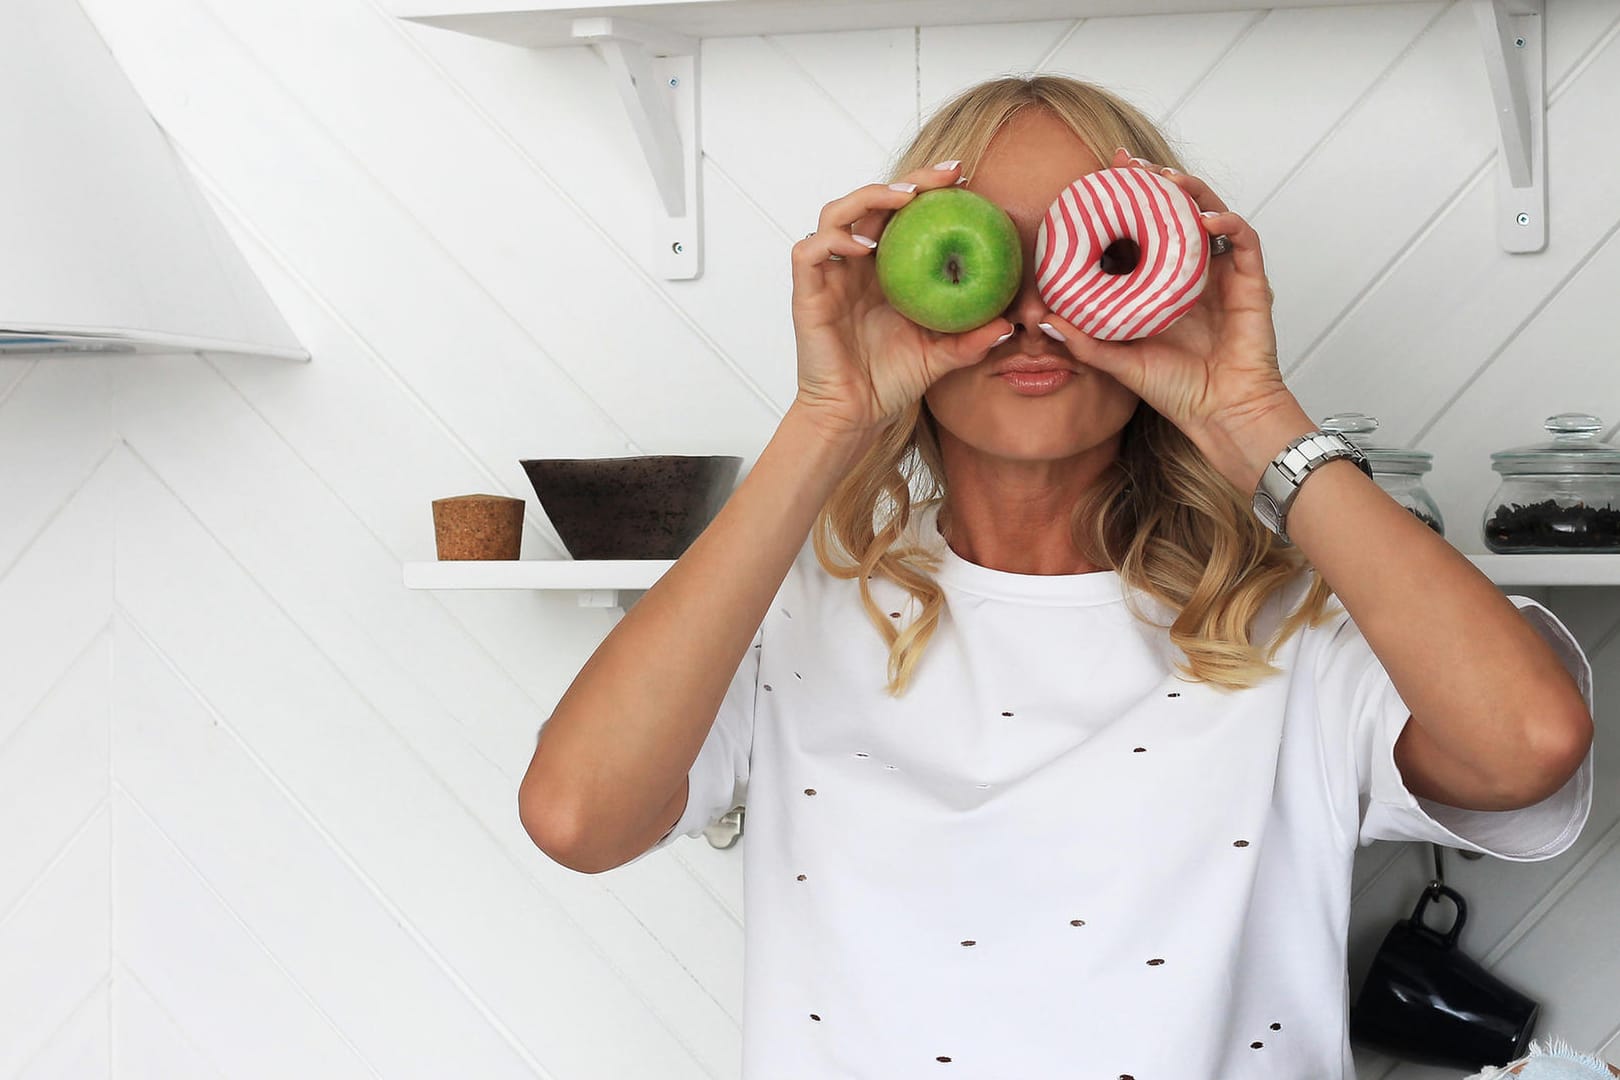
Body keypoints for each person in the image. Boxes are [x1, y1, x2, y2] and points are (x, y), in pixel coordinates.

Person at [519, 76, 1597, 1079]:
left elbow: (1527, 745)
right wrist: (827, 419)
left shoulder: (1294, 628)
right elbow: (578, 817)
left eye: (1095, 251)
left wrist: (1252, 412)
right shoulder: (790, 616)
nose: (1035, 307)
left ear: (1176, 275)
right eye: (991, 246)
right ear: (895, 281)